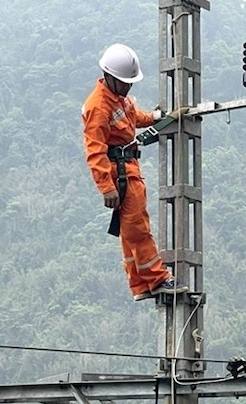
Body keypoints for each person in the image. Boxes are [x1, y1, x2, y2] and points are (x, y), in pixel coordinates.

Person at [82, 42, 187, 301]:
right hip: (121, 174)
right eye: (124, 82)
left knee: (130, 231)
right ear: (109, 76)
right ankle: (158, 279)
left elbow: (132, 118)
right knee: (137, 229)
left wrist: (157, 117)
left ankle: (140, 284)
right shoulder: (98, 106)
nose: (128, 86)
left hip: (128, 170)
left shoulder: (117, 99)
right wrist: (106, 186)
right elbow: (94, 150)